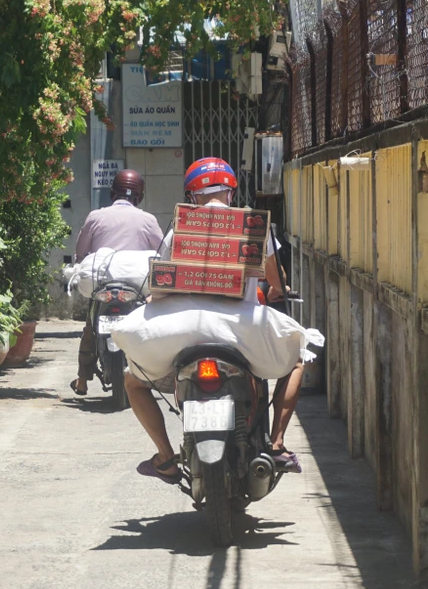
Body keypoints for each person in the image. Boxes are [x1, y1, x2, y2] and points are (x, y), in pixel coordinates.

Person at [125, 157, 304, 484]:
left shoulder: (179, 227)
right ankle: (277, 444)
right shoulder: (252, 226)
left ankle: (166, 458)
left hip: (182, 332)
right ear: (231, 194)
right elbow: (275, 281)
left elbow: (162, 285)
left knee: (133, 381)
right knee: (297, 359)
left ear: (193, 197)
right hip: (241, 332)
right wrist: (282, 287)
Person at [70, 169, 164, 396]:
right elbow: (164, 252)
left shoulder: (95, 217)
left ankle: (82, 381)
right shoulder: (147, 219)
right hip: (137, 288)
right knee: (149, 325)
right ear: (139, 196)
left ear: (113, 193)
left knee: (90, 328)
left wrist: (83, 264)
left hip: (102, 285)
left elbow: (81, 253)